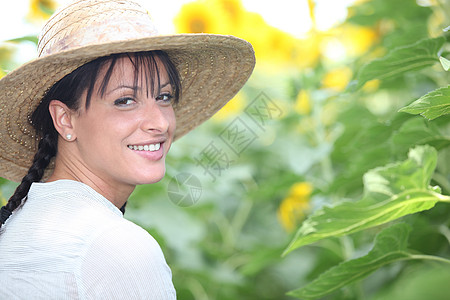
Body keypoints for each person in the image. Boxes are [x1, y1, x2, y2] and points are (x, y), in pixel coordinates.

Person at [0, 0, 255, 298]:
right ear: (65, 119)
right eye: (125, 101)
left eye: (164, 96)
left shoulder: (15, 229)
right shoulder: (116, 247)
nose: (160, 122)